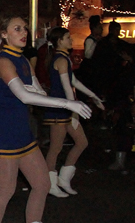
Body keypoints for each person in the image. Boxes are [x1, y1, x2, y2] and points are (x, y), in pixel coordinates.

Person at [0, 16, 92, 223]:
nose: (24, 32)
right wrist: (66, 103)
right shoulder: (4, 61)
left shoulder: (21, 59)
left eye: (25, 29)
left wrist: (68, 107)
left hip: (23, 132)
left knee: (41, 184)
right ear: (5, 34)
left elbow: (37, 91)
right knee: (5, 189)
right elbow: (23, 96)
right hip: (5, 133)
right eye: (17, 29)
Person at [41, 28, 105, 197]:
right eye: (68, 37)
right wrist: (75, 111)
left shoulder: (65, 58)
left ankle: (63, 179)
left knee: (81, 142)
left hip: (67, 107)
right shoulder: (61, 59)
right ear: (59, 41)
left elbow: (73, 81)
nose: (71, 40)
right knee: (56, 148)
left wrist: (93, 96)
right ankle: (50, 184)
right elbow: (67, 87)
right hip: (60, 108)